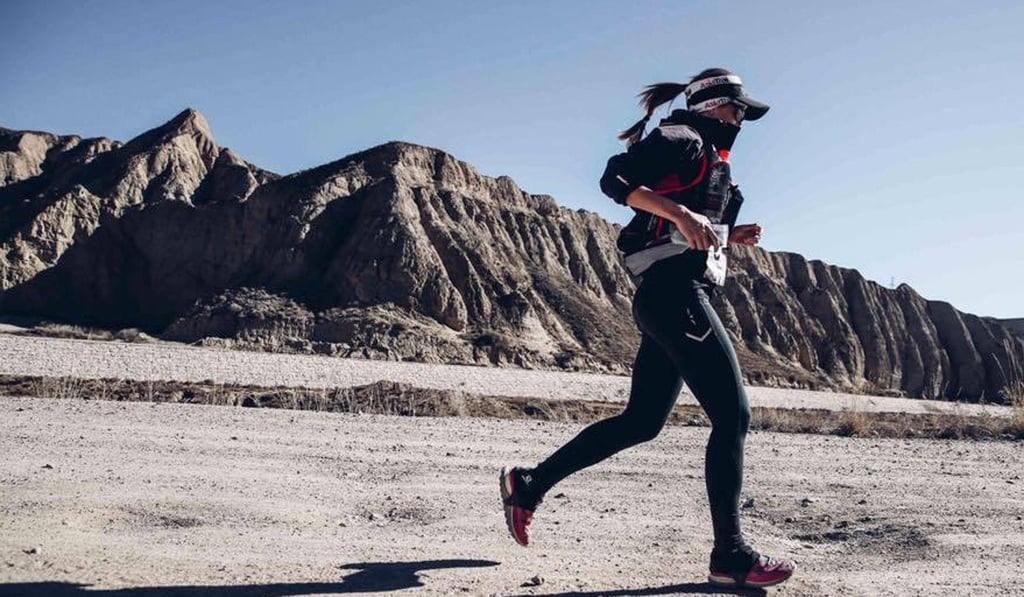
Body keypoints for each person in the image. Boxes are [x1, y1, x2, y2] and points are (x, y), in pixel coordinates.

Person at [499, 68, 795, 589]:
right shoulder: (683, 138)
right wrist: (681, 213)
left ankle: (528, 484)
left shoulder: (710, 156)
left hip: (673, 296)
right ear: (710, 105)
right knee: (733, 416)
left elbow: (681, 228)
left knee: (641, 422)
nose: (742, 120)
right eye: (736, 109)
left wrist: (728, 233)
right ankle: (729, 556)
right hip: (674, 296)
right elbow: (614, 180)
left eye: (745, 113)